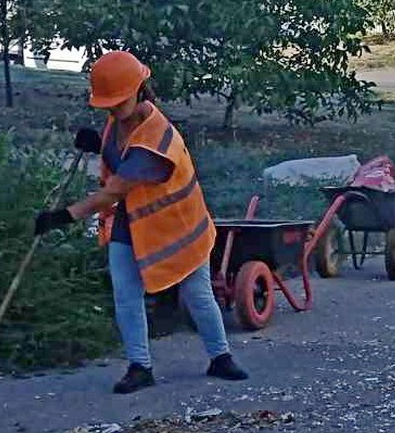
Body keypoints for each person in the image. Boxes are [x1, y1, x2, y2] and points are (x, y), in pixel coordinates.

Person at [34, 50, 247, 394]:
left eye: (119, 101)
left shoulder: (157, 139)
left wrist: (62, 216)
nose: (113, 109)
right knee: (126, 294)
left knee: (196, 293)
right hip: (133, 222)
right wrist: (98, 146)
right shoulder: (119, 120)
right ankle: (139, 366)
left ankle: (220, 356)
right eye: (108, 104)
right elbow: (117, 159)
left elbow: (112, 192)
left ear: (140, 89)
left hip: (180, 228)